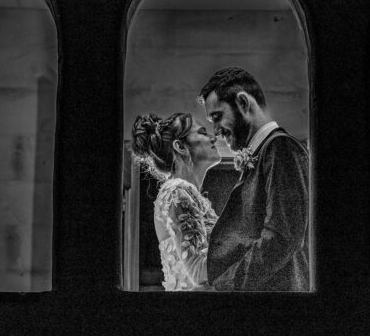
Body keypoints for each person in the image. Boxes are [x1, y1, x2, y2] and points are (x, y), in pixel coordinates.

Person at [198, 67, 310, 291]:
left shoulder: (281, 148)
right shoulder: (266, 152)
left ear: (243, 103)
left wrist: (221, 288)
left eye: (217, 117)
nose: (216, 130)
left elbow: (281, 239)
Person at [131, 112, 222, 290]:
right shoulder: (177, 191)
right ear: (180, 146)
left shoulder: (184, 191)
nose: (213, 137)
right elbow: (197, 271)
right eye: (203, 132)